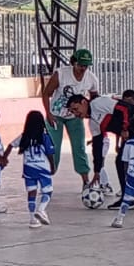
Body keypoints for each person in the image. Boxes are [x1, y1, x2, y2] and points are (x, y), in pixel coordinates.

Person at [39, 48, 99, 189]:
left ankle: (85, 181)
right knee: (53, 148)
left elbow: (95, 98)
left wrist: (87, 113)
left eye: (86, 66)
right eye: (80, 65)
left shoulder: (91, 78)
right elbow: (46, 93)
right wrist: (48, 113)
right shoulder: (61, 74)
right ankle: (46, 179)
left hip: (75, 117)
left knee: (79, 148)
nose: (83, 69)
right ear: (74, 62)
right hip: (56, 116)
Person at [13, 110, 56, 229]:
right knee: (47, 191)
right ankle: (41, 209)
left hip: (29, 168)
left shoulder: (24, 136)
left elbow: (11, 145)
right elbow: (50, 153)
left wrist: (3, 158)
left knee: (31, 192)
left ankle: (32, 219)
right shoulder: (44, 136)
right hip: (42, 168)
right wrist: (52, 166)